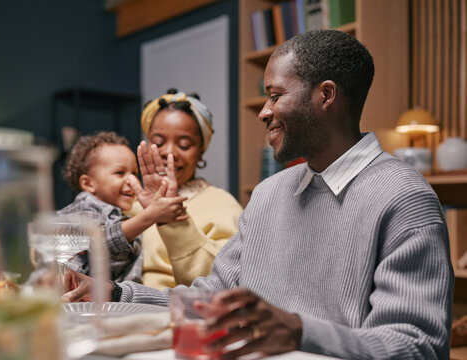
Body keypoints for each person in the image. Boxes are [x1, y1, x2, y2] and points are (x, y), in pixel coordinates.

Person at [63, 30, 453, 359]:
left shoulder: (404, 198)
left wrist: (300, 332)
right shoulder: (269, 193)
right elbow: (213, 298)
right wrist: (116, 291)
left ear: (326, 95)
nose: (263, 112)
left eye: (275, 95)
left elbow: (416, 346)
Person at [124, 89, 243, 289]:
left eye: (185, 145)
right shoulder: (129, 203)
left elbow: (223, 283)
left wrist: (173, 220)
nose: (169, 153)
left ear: (201, 151)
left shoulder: (224, 206)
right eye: (158, 142)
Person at [58, 131, 188, 283]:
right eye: (120, 173)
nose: (132, 180)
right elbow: (98, 244)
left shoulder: (123, 214)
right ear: (88, 184)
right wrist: (150, 215)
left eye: (134, 173)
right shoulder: (84, 206)